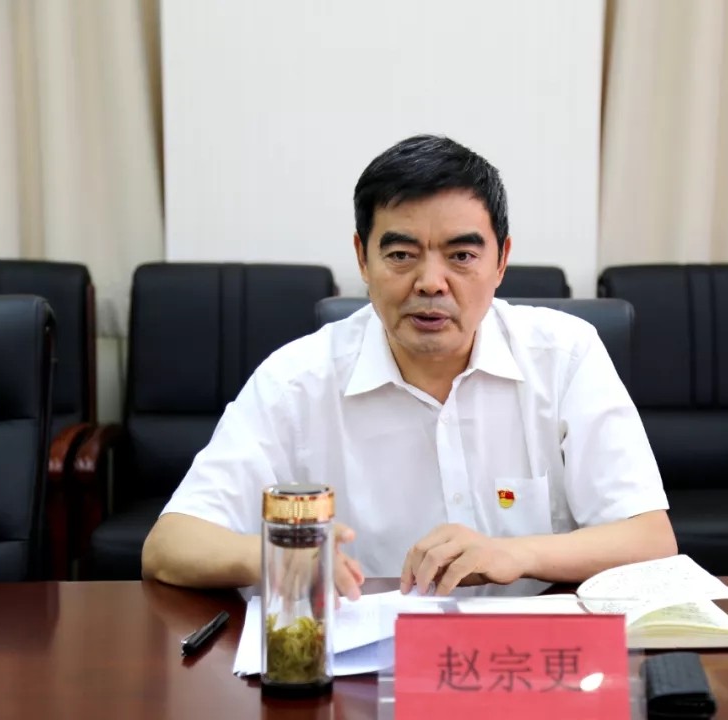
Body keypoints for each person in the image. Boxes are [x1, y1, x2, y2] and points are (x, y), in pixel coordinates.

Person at [142, 135, 676, 597]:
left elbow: (650, 539)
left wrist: (518, 554)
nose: (431, 283)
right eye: (401, 255)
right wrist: (282, 555)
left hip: (528, 657)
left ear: (501, 261)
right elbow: (169, 546)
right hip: (369, 663)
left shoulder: (565, 355)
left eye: (461, 256)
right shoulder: (296, 381)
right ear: (362, 258)